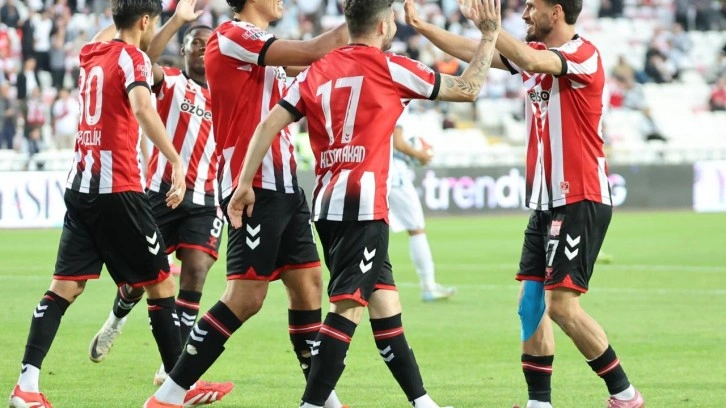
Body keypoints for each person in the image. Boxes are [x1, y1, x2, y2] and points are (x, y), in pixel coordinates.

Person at [230, 0, 500, 407]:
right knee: (347, 308)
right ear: (384, 25)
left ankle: (422, 402)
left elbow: (268, 123)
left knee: (386, 304)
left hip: (327, 205)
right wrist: (490, 35)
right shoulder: (391, 67)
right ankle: (311, 403)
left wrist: (244, 183)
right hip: (363, 206)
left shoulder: (317, 70)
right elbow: (468, 88)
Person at [403, 0, 645, 407]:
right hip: (546, 201)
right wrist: (421, 27)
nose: (525, 13)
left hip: (580, 196)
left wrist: (491, 28)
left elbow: (528, 58)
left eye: (532, 6)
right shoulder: (532, 56)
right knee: (530, 304)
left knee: (562, 307)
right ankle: (539, 403)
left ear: (556, 12)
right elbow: (475, 49)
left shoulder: (582, 54)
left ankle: (625, 394)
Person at [144, 0, 350, 407]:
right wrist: (362, 15)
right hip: (253, 183)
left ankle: (323, 402)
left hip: (285, 183)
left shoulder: (261, 48)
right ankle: (168, 395)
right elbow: (314, 50)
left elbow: (316, 61)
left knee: (309, 287)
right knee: (245, 297)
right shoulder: (232, 35)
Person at [7, 0, 197, 405]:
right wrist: (176, 160)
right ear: (144, 22)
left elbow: (120, 35)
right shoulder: (134, 59)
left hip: (80, 186)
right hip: (119, 188)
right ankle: (178, 389)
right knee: (162, 283)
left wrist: (168, 18)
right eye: (153, 24)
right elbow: (143, 107)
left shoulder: (93, 51)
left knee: (64, 287)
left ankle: (27, 384)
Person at [85, 0, 229, 396]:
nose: (203, 49)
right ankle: (117, 318)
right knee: (139, 280)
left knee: (196, 272)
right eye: (195, 43)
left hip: (205, 198)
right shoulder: (171, 82)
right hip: (159, 194)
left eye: (209, 44)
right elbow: (140, 60)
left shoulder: (227, 95)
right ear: (182, 51)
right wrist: (177, 20)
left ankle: (173, 367)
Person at [390, 116, 456, 301]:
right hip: (395, 176)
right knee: (417, 229)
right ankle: (429, 287)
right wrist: (419, 154)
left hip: (376, 171)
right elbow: (397, 142)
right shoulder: (400, 104)